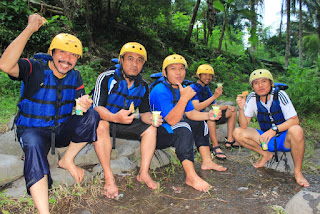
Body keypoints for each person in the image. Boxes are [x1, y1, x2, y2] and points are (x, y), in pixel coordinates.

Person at [0, 13, 116, 213]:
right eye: (62, 52)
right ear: (52, 52)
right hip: (32, 129)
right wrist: (29, 29)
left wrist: (84, 105)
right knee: (34, 146)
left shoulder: (76, 76)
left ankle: (67, 160)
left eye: (73, 55)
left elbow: (80, 109)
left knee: (93, 116)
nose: (67, 59)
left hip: (60, 129)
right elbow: (5, 65)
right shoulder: (34, 68)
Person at [92, 42, 162, 197]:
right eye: (130, 59)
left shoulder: (143, 85)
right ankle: (109, 178)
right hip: (105, 120)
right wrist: (114, 117)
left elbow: (144, 114)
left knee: (151, 129)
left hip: (124, 122)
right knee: (102, 123)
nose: (134, 64)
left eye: (139, 60)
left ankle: (143, 173)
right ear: (121, 60)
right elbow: (96, 108)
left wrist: (152, 119)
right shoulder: (106, 78)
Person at [149, 54, 227, 192]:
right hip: (156, 134)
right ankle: (190, 176)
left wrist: (208, 115)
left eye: (181, 68)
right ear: (164, 72)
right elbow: (172, 120)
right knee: (183, 126)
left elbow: (191, 113)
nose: (178, 72)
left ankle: (207, 161)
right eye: (173, 68)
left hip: (171, 129)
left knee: (201, 122)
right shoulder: (160, 90)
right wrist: (184, 98)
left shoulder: (182, 88)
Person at [233, 69, 309, 187]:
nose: (260, 85)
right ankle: (266, 155)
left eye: (264, 81)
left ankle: (298, 172)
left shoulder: (280, 95)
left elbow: (295, 120)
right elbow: (244, 126)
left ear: (271, 83)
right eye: (256, 83)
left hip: (284, 138)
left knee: (297, 130)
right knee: (238, 132)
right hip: (266, 140)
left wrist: (274, 130)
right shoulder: (252, 97)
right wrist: (241, 109)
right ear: (252, 86)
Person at [190, 64, 238, 160]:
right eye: (205, 75)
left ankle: (229, 140)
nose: (208, 77)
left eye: (210, 75)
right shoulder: (193, 88)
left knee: (232, 111)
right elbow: (196, 107)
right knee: (210, 118)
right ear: (198, 75)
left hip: (206, 115)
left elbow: (214, 106)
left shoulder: (206, 88)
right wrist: (215, 96)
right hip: (195, 117)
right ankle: (216, 147)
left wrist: (227, 106)